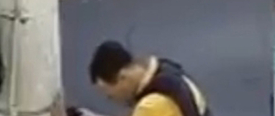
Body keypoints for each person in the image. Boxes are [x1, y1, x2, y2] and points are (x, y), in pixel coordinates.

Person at [69, 41, 210, 116]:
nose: (114, 101)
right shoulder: (171, 75)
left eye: (110, 96)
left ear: (122, 77)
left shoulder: (151, 106)